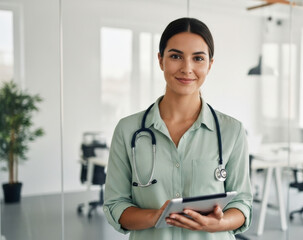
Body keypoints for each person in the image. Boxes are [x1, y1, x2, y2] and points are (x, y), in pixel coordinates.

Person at [103, 17, 252, 240]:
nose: (187, 68)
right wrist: (158, 216)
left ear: (209, 64)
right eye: (175, 56)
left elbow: (242, 204)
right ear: (160, 60)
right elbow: (116, 206)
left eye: (198, 58)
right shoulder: (128, 130)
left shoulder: (232, 131)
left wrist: (217, 223)